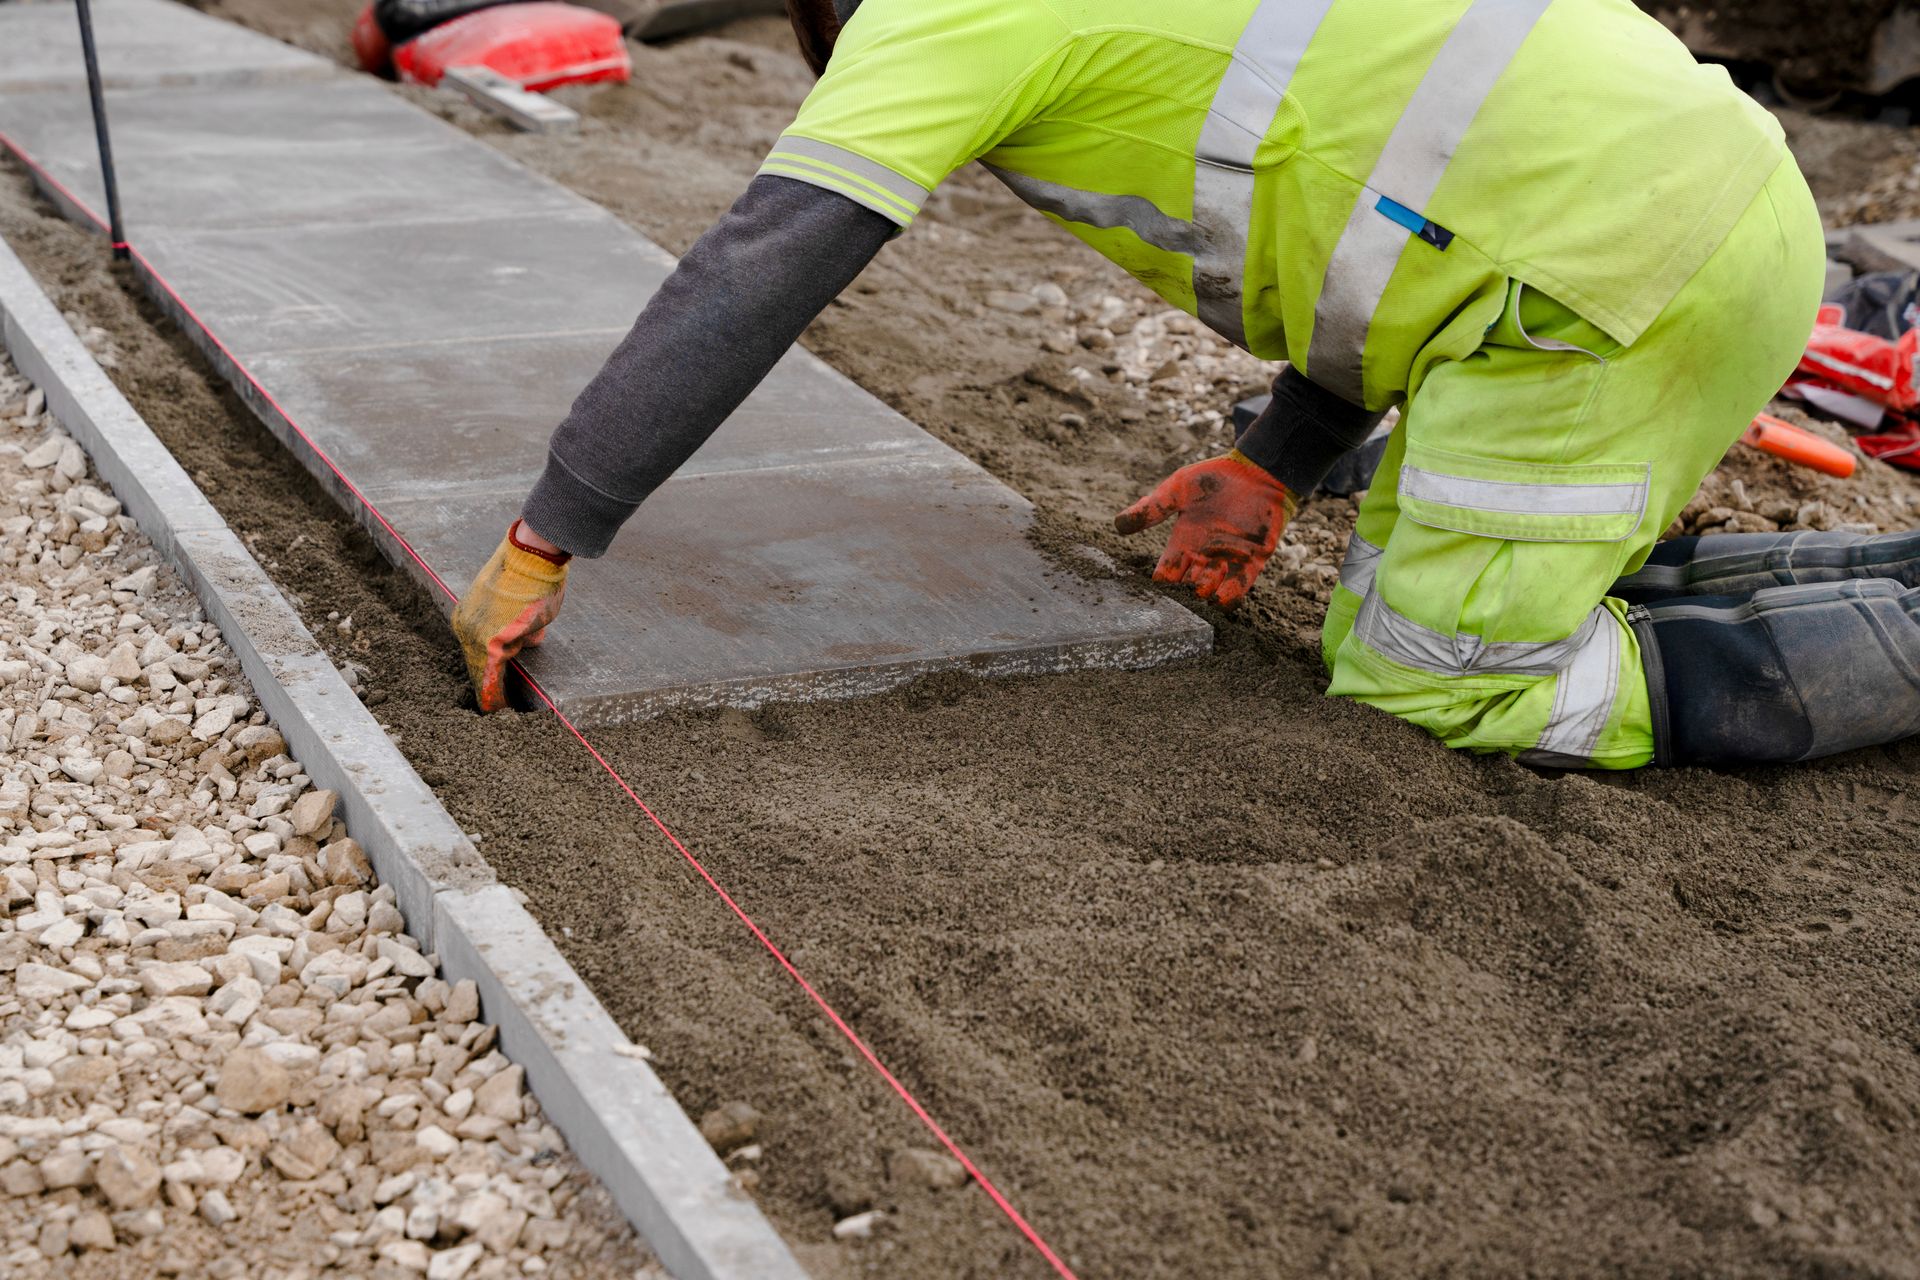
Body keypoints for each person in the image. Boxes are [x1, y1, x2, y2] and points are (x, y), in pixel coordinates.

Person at [454, 0, 1920, 767]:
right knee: (1437, 592)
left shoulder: (941, 15)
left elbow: (757, 268)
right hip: (1664, 220)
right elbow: (1375, 193)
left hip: (1614, 279)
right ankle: (1879, 574)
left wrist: (544, 537)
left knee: (1442, 681)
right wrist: (1282, 455)